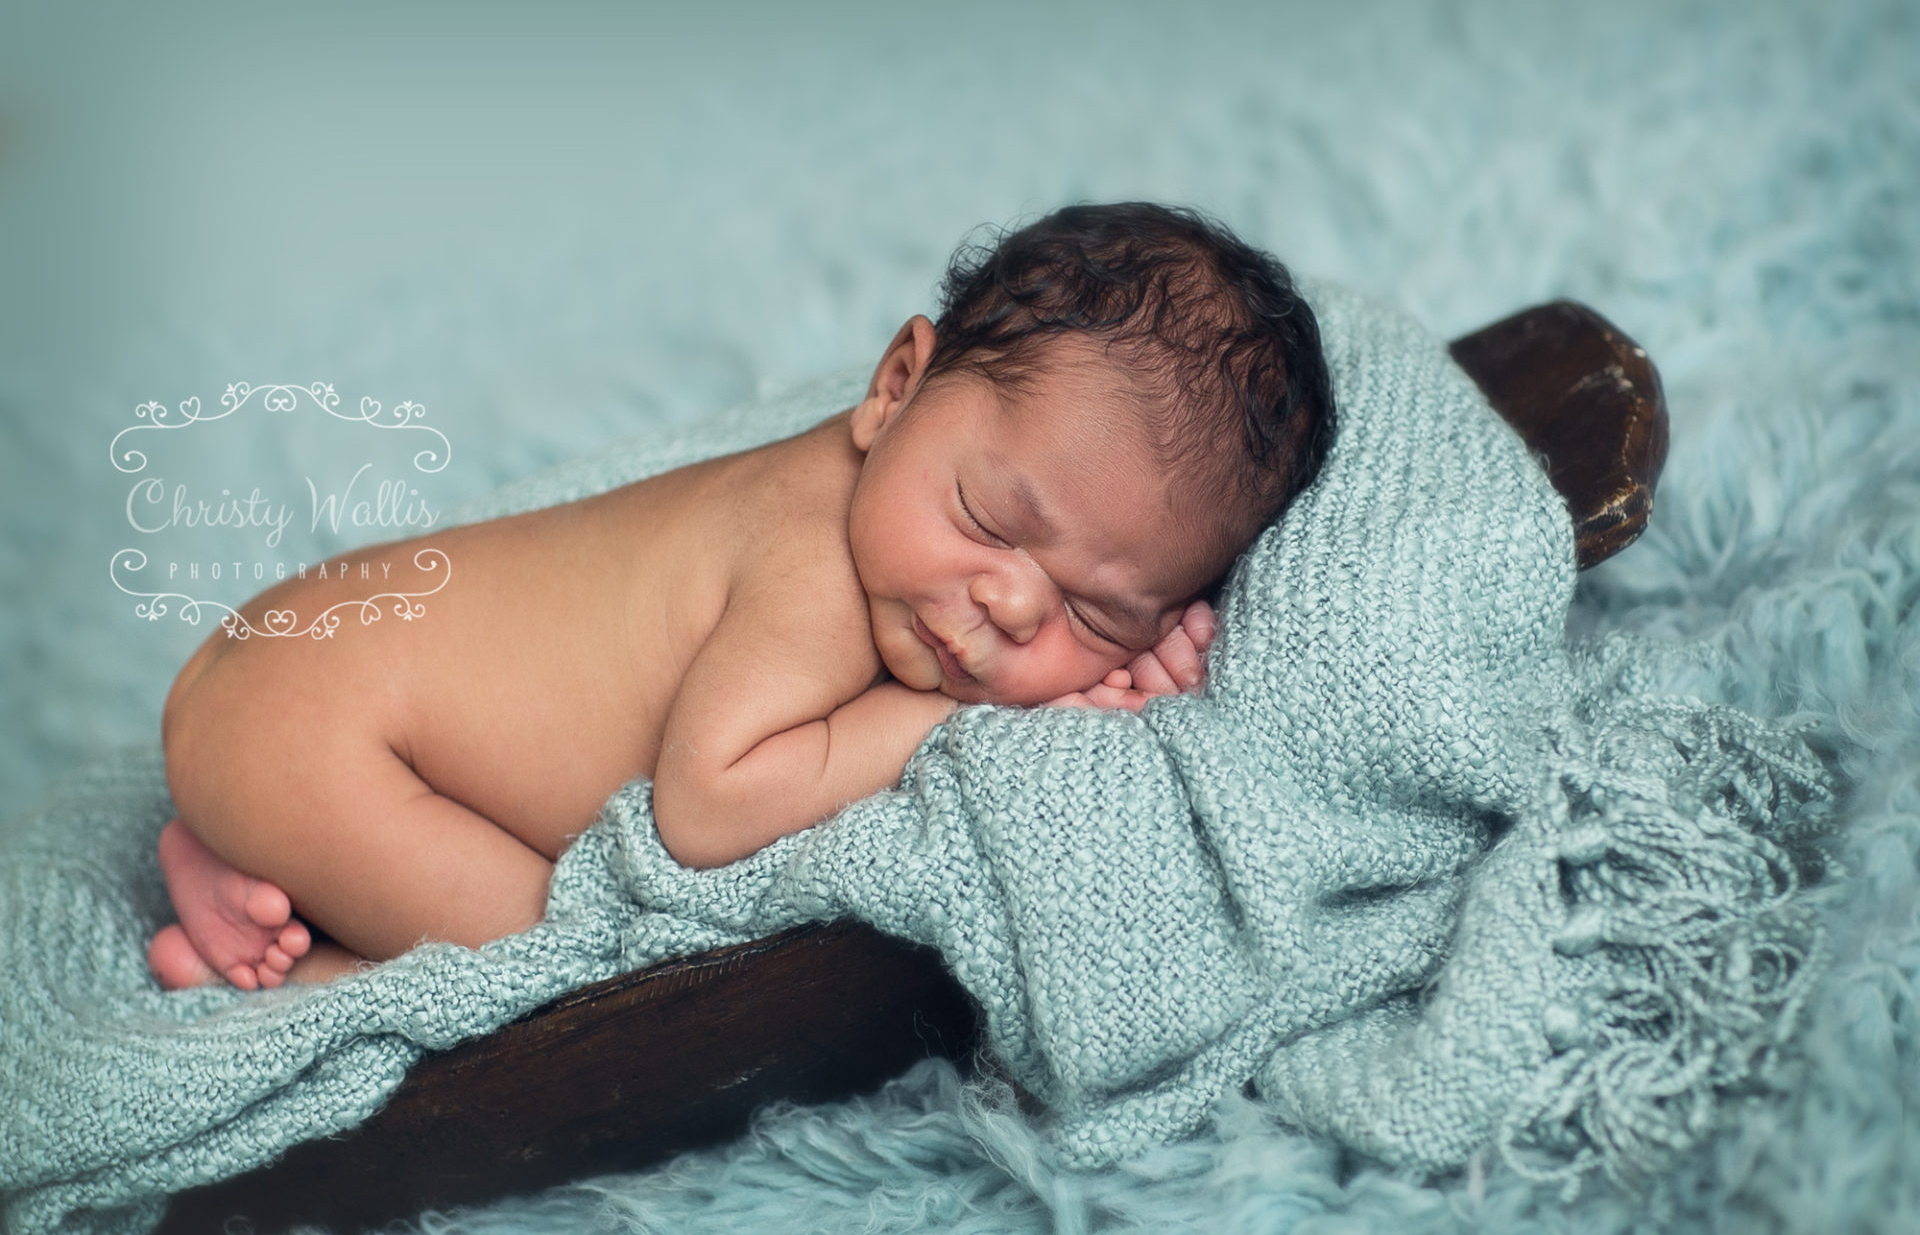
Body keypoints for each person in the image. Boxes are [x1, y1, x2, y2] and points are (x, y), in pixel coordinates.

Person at [146, 202, 1336, 990]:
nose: (1011, 607)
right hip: (317, 727)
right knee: (563, 958)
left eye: (1095, 613)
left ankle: (259, 861)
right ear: (895, 388)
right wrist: (944, 716)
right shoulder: (812, 567)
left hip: (285, 669)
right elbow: (706, 811)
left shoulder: (898, 522)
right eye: (988, 519)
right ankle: (294, 965)